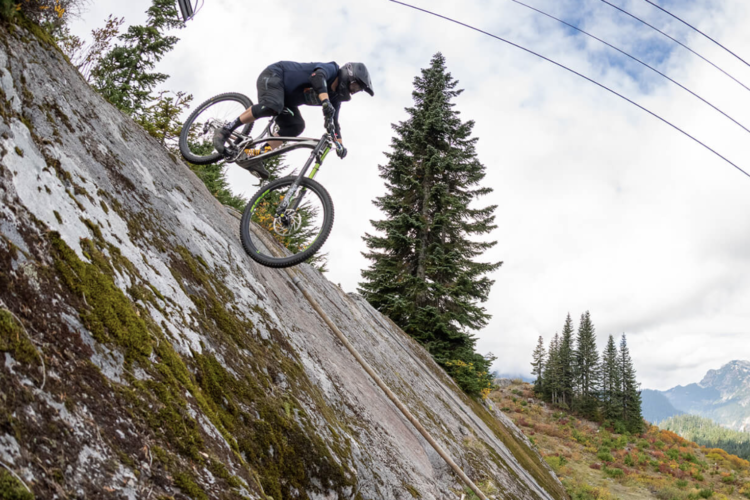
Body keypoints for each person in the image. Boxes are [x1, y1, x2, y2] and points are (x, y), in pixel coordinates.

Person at [214, 61, 374, 179]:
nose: (354, 91)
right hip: (275, 75)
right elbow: (317, 77)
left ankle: (253, 154)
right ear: (348, 74)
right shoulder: (331, 69)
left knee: (296, 126)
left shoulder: (334, 98)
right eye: (355, 86)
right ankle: (226, 130)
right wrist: (325, 101)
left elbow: (334, 124)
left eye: (357, 90)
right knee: (273, 105)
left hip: (286, 101)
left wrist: (340, 144)